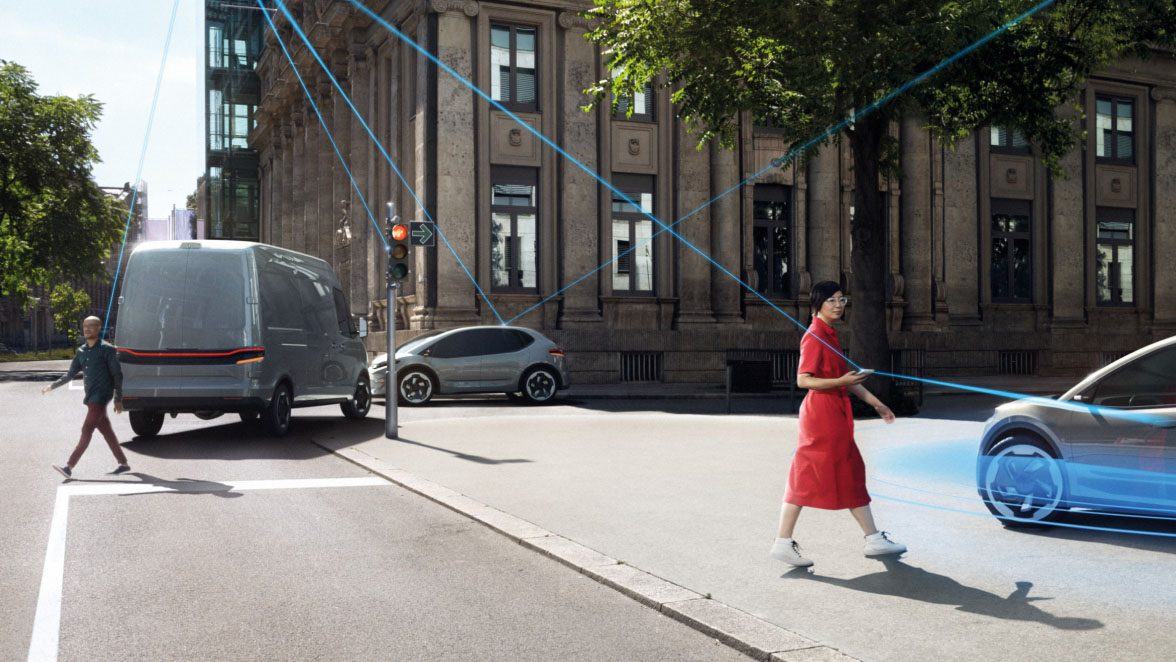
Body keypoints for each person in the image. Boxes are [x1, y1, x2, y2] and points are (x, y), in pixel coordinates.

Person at [769, 281, 906, 567]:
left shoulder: (829, 334)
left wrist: (877, 403)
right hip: (822, 413)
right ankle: (784, 542)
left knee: (848, 469)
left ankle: (873, 538)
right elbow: (803, 380)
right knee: (808, 474)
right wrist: (842, 382)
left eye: (842, 300)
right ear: (817, 303)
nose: (838, 305)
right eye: (831, 300)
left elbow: (846, 377)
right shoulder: (814, 335)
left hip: (833, 411)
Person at [41, 316, 130, 478]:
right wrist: (52, 386)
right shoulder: (81, 351)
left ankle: (69, 466)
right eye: (85, 326)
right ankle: (123, 463)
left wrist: (118, 399)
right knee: (106, 430)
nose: (87, 329)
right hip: (90, 397)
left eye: (91, 326)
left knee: (86, 429)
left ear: (98, 328)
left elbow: (117, 375)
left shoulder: (107, 349)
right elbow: (70, 374)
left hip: (101, 396)